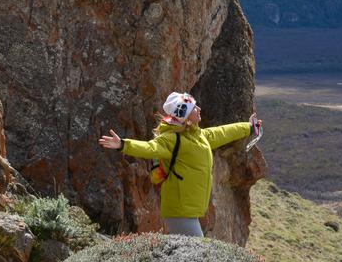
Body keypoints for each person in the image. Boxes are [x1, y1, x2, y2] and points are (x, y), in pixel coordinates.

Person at [99, 91, 261, 237]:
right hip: (179, 209)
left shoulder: (198, 136)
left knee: (190, 253)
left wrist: (248, 127)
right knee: (197, 252)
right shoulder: (171, 138)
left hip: (189, 209)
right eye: (194, 107)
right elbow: (149, 148)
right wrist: (123, 144)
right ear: (185, 115)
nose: (199, 109)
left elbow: (223, 132)